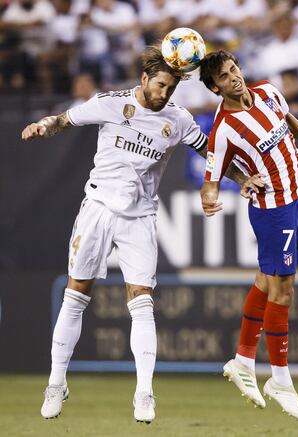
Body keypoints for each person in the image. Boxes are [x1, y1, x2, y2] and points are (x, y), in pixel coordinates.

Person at [21, 46, 263, 423]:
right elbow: (64, 119)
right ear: (145, 78)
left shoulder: (178, 119)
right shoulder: (109, 104)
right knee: (76, 294)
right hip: (98, 210)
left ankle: (144, 392)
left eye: (171, 88)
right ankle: (56, 383)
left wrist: (242, 179)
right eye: (161, 85)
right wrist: (44, 125)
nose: (164, 94)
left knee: (142, 302)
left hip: (140, 217)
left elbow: (209, 154)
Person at [198, 50, 298, 422]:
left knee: (265, 283)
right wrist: (212, 200)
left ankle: (243, 361)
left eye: (234, 69)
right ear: (215, 87)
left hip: (296, 200)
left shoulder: (267, 92)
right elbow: (211, 178)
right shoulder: (224, 129)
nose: (234, 78)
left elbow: (287, 118)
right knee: (284, 290)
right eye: (225, 77)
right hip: (272, 210)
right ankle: (281, 380)